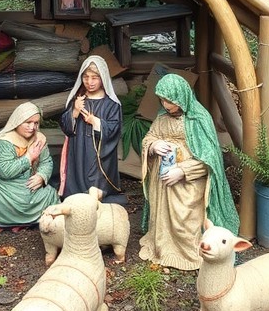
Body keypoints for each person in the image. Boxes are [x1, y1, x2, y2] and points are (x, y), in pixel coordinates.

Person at [139, 73, 239, 270]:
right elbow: (148, 137)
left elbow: (210, 159)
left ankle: (188, 251)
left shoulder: (199, 119)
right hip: (163, 181)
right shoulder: (161, 118)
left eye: (169, 100)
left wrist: (183, 171)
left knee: (185, 220)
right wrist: (153, 145)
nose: (165, 104)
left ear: (181, 97)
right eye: (162, 100)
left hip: (187, 183)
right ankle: (163, 245)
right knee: (164, 218)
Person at [59, 55, 125, 204]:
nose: (89, 82)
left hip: (99, 153)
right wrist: (75, 111)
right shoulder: (78, 99)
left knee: (95, 181)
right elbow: (65, 127)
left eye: (95, 77)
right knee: (77, 180)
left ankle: (96, 194)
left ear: (103, 78)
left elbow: (115, 129)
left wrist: (95, 121)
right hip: (78, 148)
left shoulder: (112, 104)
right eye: (86, 77)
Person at [0, 102, 59, 232]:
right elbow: (5, 172)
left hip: (30, 186)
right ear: (17, 122)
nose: (32, 127)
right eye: (28, 122)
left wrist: (41, 176)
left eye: (36, 123)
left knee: (50, 194)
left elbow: (46, 161)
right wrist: (29, 158)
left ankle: (17, 223)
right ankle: (5, 222)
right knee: (1, 202)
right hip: (6, 191)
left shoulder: (39, 138)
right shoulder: (5, 140)